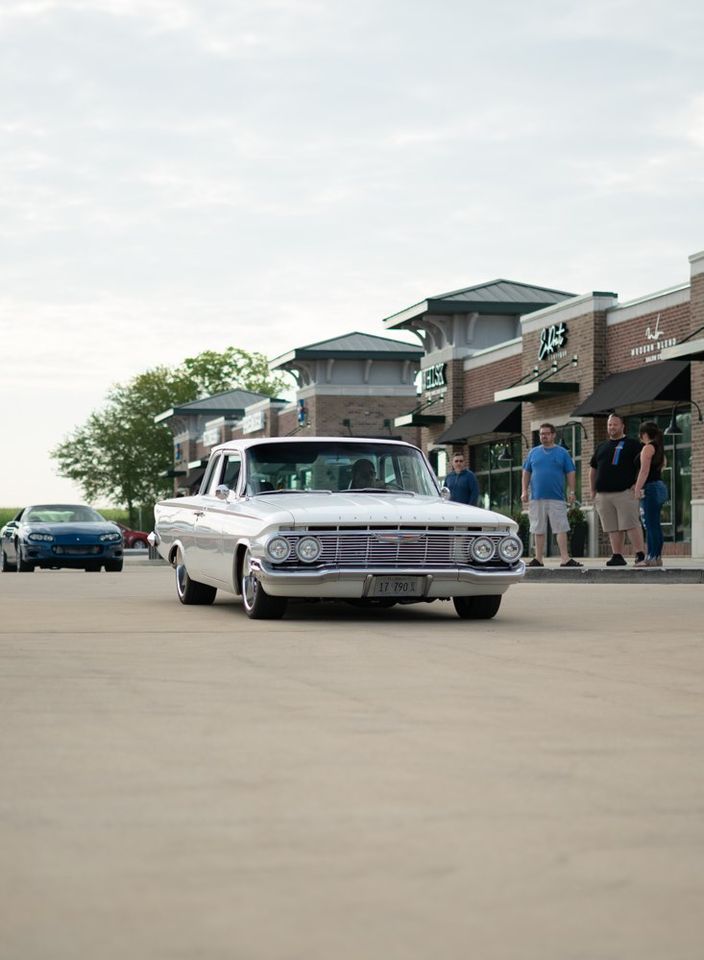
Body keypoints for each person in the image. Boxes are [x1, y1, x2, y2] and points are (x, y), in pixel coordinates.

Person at [521, 422, 582, 567]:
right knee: (538, 528)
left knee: (561, 527)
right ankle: (538, 559)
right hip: (536, 497)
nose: (544, 436)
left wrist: (572, 491)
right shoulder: (533, 453)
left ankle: (565, 559)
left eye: (547, 434)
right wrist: (524, 490)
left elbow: (571, 472)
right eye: (542, 434)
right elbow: (526, 472)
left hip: (557, 498)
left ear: (553, 435)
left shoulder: (562, 453)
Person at [589, 412, 646, 566]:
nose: (611, 427)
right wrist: (592, 490)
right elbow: (593, 469)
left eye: (615, 424)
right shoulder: (602, 446)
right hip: (603, 495)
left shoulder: (633, 444)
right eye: (609, 425)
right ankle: (617, 555)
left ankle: (640, 555)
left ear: (622, 426)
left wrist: (637, 484)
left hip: (625, 493)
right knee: (612, 527)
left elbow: (645, 466)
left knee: (631, 524)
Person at [633, 421, 668, 567]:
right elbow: (663, 466)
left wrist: (637, 488)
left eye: (640, 434)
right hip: (659, 487)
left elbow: (644, 471)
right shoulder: (660, 448)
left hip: (651, 488)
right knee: (655, 524)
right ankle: (657, 557)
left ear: (644, 434)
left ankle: (651, 557)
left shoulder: (647, 448)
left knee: (650, 524)